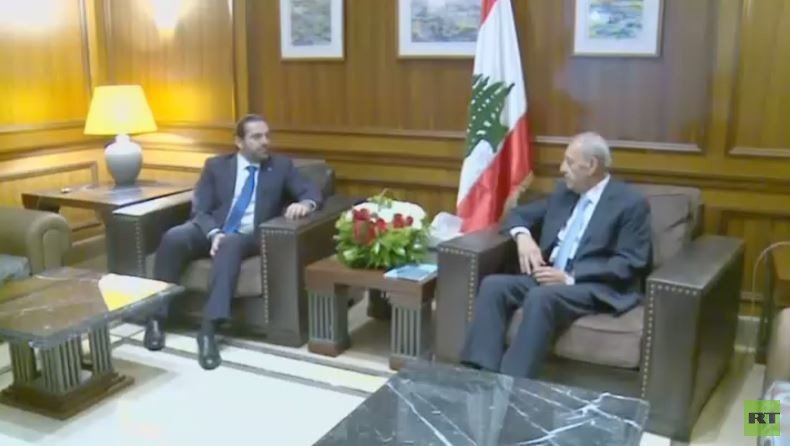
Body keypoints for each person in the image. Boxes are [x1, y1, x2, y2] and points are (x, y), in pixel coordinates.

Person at [460, 132, 652, 378]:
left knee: (541, 297)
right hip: (548, 276)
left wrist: (570, 278)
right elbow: (519, 215)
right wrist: (523, 237)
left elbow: (630, 262)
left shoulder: (629, 204)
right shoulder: (565, 193)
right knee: (493, 286)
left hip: (591, 285)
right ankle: (479, 375)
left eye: (570, 162)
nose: (562, 169)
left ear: (591, 166)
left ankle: (511, 383)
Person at [144, 114, 321, 370]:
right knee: (174, 237)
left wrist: (305, 204)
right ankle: (156, 318)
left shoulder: (281, 167)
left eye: (267, 136)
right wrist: (214, 233)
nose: (265, 142)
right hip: (212, 228)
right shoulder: (216, 166)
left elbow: (311, 191)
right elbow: (200, 209)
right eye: (256, 137)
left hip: (249, 236)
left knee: (229, 245)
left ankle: (208, 330)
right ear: (239, 142)